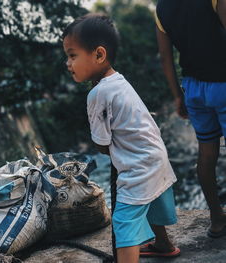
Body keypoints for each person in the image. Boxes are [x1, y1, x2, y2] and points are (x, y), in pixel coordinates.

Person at [62, 13, 180, 263]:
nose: (68, 63)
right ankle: (163, 245)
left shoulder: (97, 94)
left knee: (124, 220)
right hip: (156, 156)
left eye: (72, 55)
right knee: (152, 200)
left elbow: (102, 145)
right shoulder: (120, 81)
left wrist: (110, 148)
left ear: (99, 55)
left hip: (138, 166)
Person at [155, 0, 226, 238]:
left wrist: (177, 96)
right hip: (223, 82)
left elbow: (165, 58)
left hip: (193, 89)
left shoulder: (163, 8)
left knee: (206, 154)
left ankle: (216, 220)